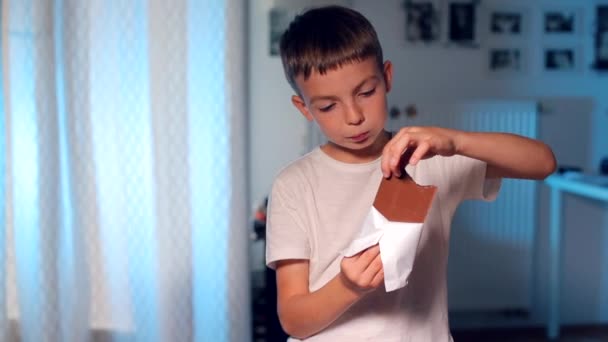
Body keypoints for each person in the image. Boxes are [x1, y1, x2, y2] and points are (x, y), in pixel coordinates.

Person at [265, 5, 556, 341]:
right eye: (329, 106)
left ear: (387, 77)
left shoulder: (428, 159)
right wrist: (346, 286)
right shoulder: (293, 186)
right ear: (305, 108)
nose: (354, 116)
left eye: (366, 92)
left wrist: (456, 140)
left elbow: (543, 163)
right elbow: (293, 319)